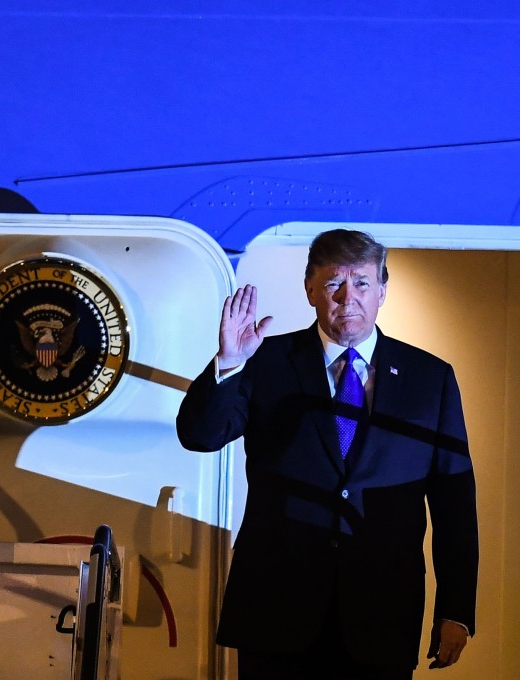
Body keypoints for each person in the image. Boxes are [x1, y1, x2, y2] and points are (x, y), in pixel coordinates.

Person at [176, 229, 478, 679]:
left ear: (382, 291)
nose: (348, 298)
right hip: (275, 610)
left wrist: (456, 608)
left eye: (361, 283)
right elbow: (200, 435)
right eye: (334, 284)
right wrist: (228, 362)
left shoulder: (430, 377)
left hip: (381, 614)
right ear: (311, 290)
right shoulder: (263, 359)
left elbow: (454, 503)